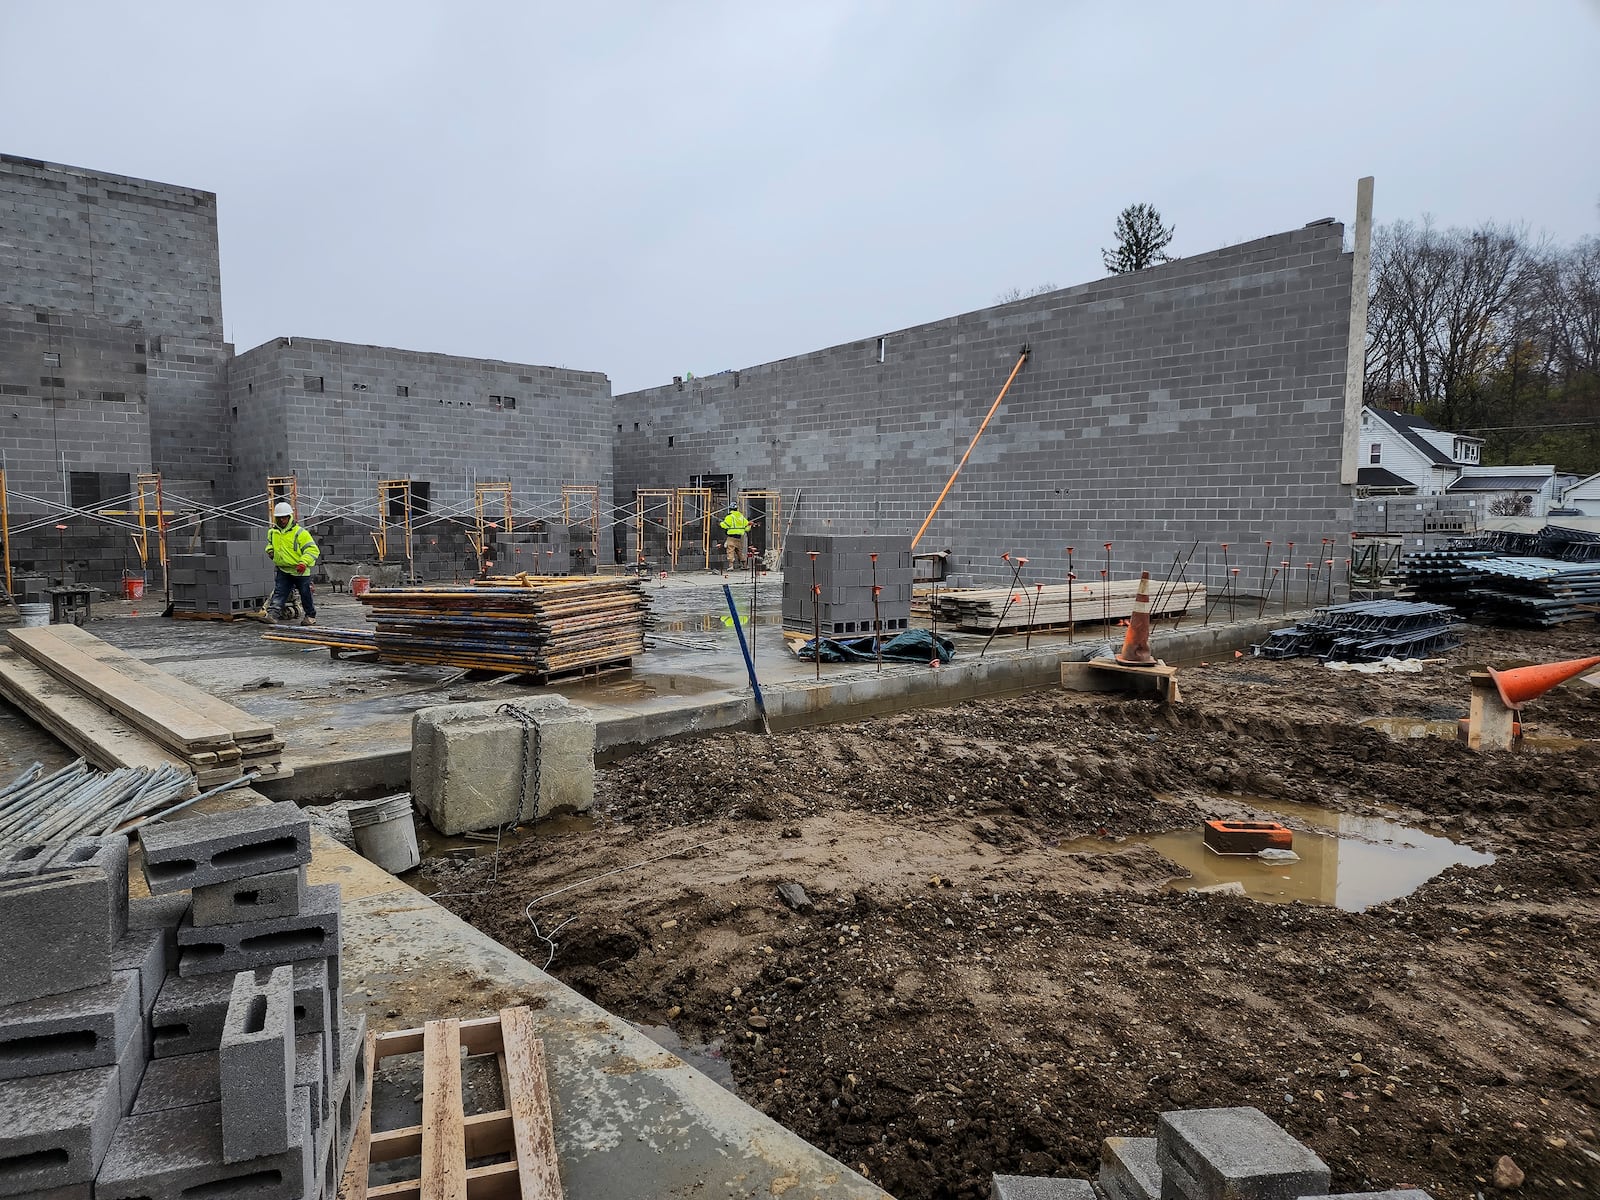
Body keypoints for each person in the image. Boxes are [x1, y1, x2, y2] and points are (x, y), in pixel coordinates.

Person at [266, 501, 319, 625]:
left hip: (300, 570)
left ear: (290, 517)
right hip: (284, 569)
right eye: (279, 518)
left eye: (284, 518)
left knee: (305, 594)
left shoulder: (300, 533)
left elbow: (312, 550)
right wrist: (270, 551)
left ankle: (310, 616)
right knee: (279, 593)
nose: (282, 520)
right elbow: (270, 544)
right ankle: (272, 615)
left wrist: (303, 562)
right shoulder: (273, 532)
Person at [719, 504, 752, 570]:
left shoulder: (730, 517)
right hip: (739, 537)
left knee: (730, 551)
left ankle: (731, 566)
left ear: (730, 509)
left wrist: (721, 523)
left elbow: (725, 525)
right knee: (739, 551)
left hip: (731, 537)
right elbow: (747, 528)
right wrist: (749, 526)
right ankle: (745, 565)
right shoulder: (741, 517)